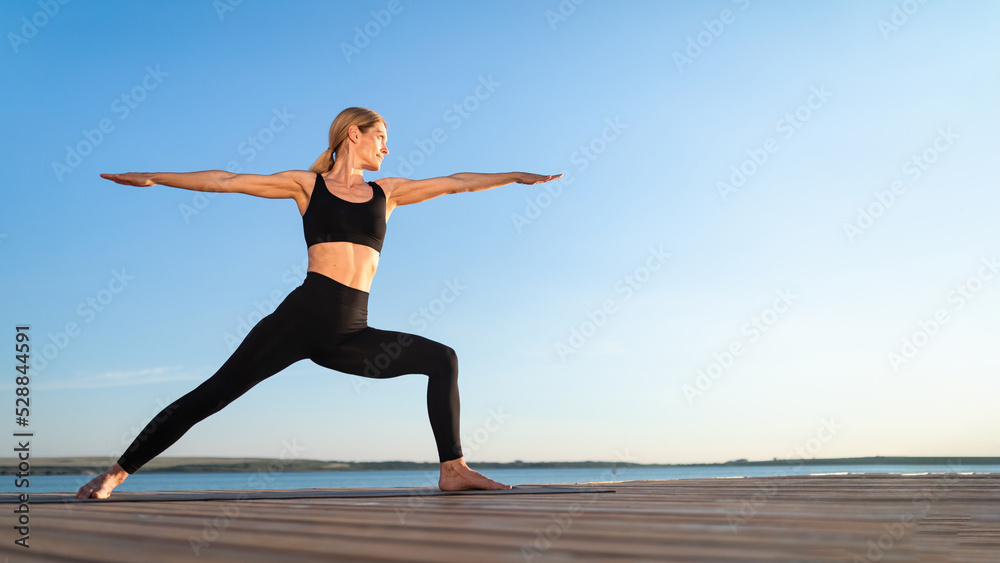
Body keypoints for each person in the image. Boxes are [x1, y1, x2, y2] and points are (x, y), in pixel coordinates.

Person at [76, 107, 561, 499]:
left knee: (442, 359)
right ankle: (115, 475)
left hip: (351, 330)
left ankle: (453, 469)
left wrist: (516, 176)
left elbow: (457, 182)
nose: (387, 147)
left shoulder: (386, 193)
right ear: (355, 134)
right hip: (302, 316)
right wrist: (154, 178)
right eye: (381, 137)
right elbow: (226, 180)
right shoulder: (306, 186)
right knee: (215, 393)